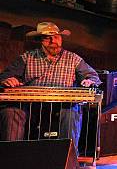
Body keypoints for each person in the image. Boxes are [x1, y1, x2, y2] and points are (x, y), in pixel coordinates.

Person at [0, 22, 101, 153]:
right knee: (10, 113)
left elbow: (93, 76)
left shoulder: (73, 58)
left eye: (57, 37)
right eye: (48, 38)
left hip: (62, 106)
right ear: (40, 40)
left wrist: (89, 81)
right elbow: (5, 76)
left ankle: (67, 161)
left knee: (71, 113)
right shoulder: (27, 57)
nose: (54, 41)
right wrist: (7, 80)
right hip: (31, 106)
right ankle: (12, 159)